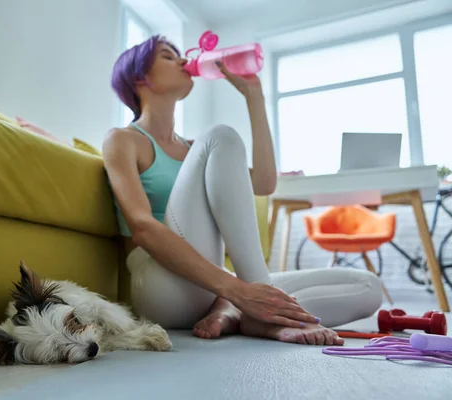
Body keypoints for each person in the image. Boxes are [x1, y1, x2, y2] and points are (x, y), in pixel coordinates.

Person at [103, 35, 383, 346]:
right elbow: (142, 228)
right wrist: (239, 290)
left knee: (367, 287)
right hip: (161, 287)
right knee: (221, 135)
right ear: (139, 77)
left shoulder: (196, 150)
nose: (184, 61)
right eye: (168, 56)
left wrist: (254, 96)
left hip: (215, 289)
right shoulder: (123, 139)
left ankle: (237, 312)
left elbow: (265, 183)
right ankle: (252, 310)